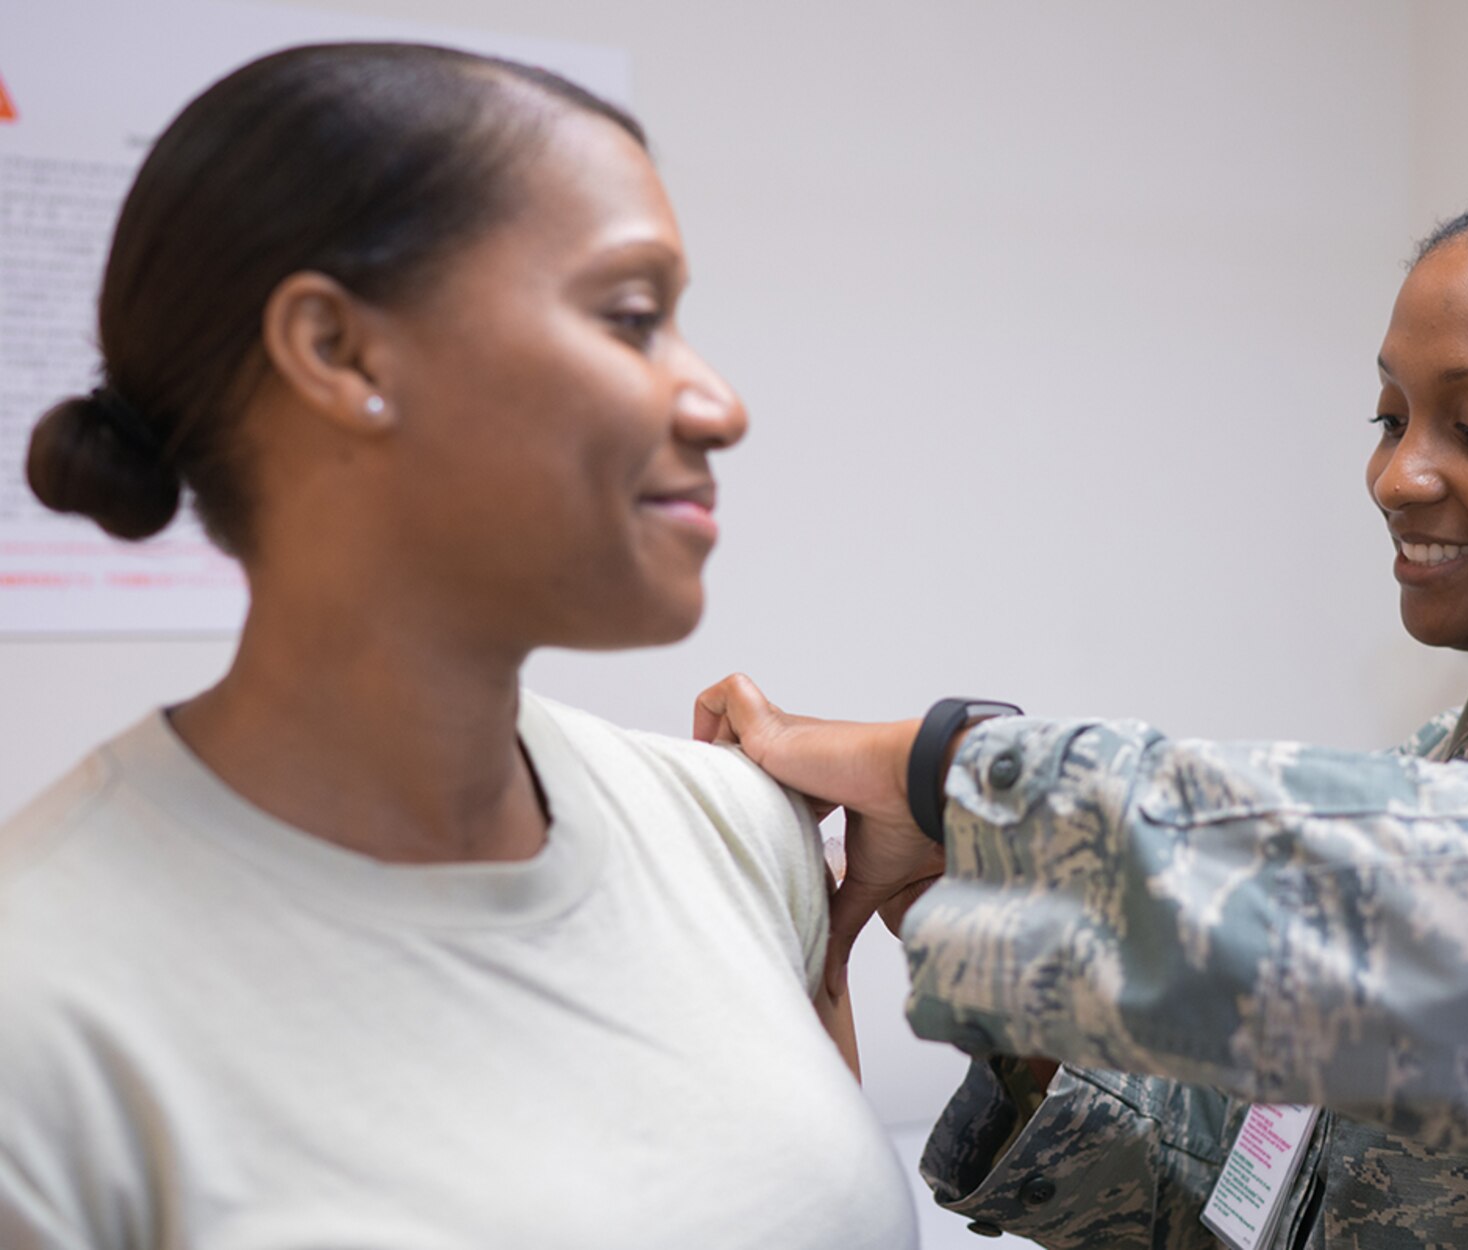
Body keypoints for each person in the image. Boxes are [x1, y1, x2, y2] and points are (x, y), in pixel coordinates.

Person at [695, 190, 1468, 1247]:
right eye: (1390, 416)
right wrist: (962, 892)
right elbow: (1248, 1204)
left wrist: (955, 771)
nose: (1398, 475)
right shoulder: (1422, 783)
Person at [0, 43, 917, 1249]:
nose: (719, 404)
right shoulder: (41, 1013)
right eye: (631, 316)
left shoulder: (739, 834)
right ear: (341, 352)